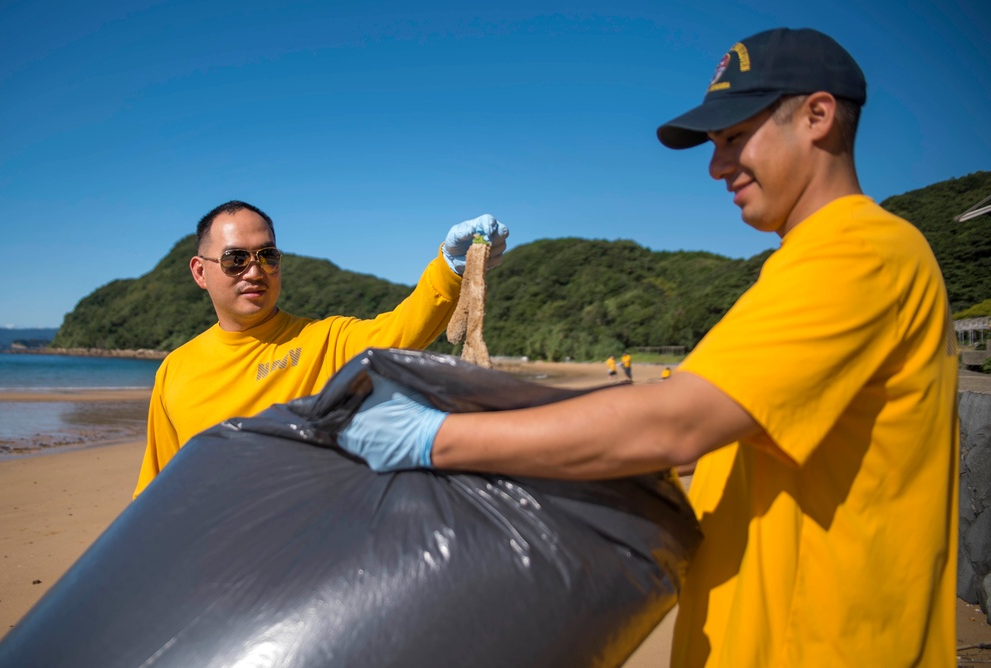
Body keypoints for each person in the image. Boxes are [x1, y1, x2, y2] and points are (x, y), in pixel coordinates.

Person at [337, 28, 958, 666]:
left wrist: (437, 440)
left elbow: (678, 424)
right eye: (715, 145)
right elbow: (721, 443)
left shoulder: (860, 254)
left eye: (735, 137)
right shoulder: (806, 265)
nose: (717, 167)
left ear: (818, 116)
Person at [133, 201, 507, 499]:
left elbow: (401, 329)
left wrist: (450, 268)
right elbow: (157, 482)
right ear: (201, 272)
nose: (254, 271)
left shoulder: (323, 340)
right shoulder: (175, 369)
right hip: (210, 553)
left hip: (305, 550)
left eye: (267, 256)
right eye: (235, 259)